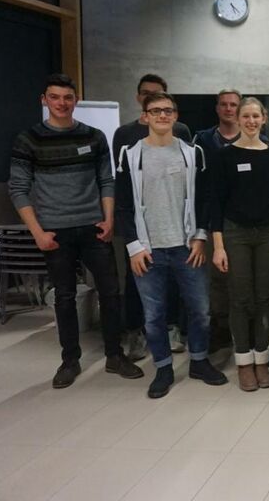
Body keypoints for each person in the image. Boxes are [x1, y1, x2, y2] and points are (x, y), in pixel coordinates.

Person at [9, 73, 143, 388]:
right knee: (65, 297)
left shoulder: (94, 136)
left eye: (67, 97)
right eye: (54, 97)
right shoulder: (28, 140)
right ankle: (70, 360)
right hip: (55, 231)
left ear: (75, 101)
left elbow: (106, 180)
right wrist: (38, 232)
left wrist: (108, 219)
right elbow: (18, 189)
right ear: (44, 100)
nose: (61, 103)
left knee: (111, 293)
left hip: (94, 227)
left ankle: (114, 355)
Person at [114, 92, 227, 398]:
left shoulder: (192, 154)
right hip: (148, 251)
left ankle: (199, 362)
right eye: (155, 111)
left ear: (176, 116)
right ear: (145, 116)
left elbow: (204, 199)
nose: (162, 116)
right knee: (154, 315)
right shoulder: (131, 155)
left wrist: (201, 236)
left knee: (200, 310)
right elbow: (123, 206)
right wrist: (134, 247)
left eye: (167, 111)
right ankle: (163, 368)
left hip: (187, 246)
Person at [211, 97, 269, 391]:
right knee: (240, 298)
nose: (250, 121)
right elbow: (216, 204)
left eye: (255, 116)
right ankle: (244, 362)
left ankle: (261, 359)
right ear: (239, 119)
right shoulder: (224, 156)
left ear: (264, 119)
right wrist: (218, 246)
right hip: (235, 234)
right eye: (245, 116)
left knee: (265, 298)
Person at [112, 73, 193, 360]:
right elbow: (122, 188)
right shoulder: (124, 135)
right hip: (142, 231)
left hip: (176, 230)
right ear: (141, 102)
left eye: (161, 100)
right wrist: (131, 238)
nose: (157, 109)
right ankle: (136, 334)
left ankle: (172, 330)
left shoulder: (182, 132)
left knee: (174, 287)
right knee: (136, 286)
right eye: (148, 97)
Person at [193, 89, 246, 351]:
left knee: (241, 278)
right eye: (224, 104)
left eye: (233, 105)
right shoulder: (202, 140)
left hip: (243, 221)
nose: (229, 109)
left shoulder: (255, 141)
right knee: (216, 277)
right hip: (212, 218)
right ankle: (220, 328)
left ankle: (241, 331)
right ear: (217, 108)